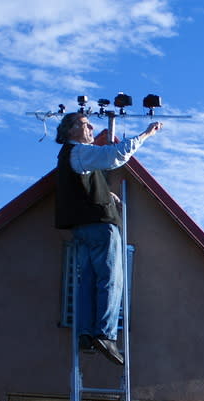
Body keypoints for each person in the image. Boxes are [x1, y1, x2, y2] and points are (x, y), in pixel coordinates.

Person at [55, 112, 162, 365]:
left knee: (87, 281)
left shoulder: (70, 157)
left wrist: (108, 194)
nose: (91, 127)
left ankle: (84, 334)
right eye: (84, 124)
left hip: (80, 228)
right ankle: (105, 334)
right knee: (111, 279)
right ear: (70, 131)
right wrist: (146, 134)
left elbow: (82, 186)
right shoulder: (79, 151)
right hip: (100, 226)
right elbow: (114, 156)